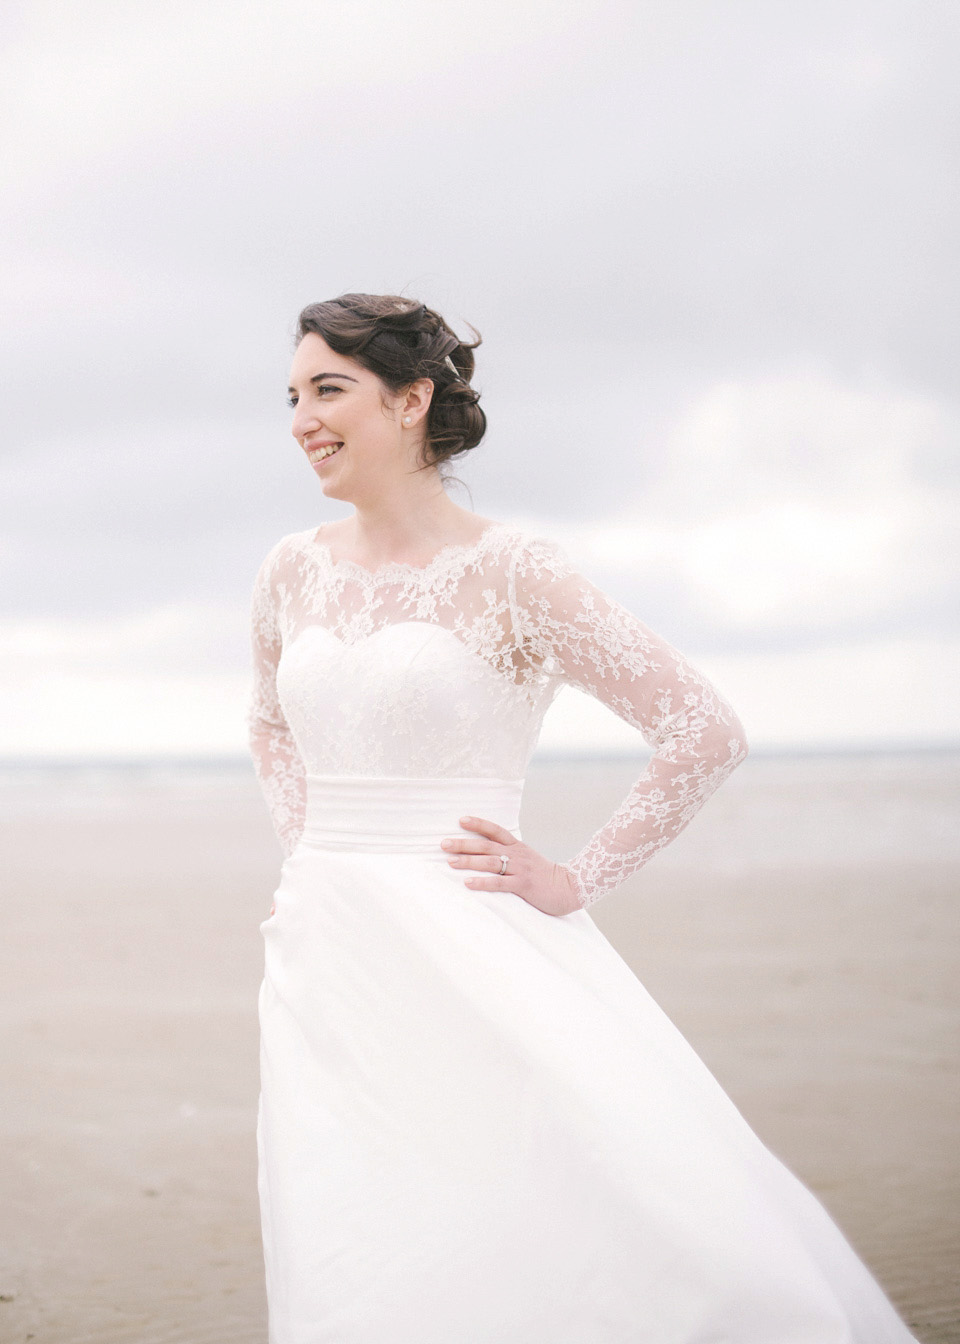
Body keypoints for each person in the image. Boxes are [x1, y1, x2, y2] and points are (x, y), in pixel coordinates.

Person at [248, 293, 918, 1343]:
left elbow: (702, 728)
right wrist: (314, 857)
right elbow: (268, 727)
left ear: (412, 398)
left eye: (328, 389)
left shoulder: (514, 572)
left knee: (549, 1196)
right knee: (354, 1201)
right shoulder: (291, 568)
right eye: (291, 395)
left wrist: (574, 878)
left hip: (472, 932)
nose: (301, 418)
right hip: (328, 949)